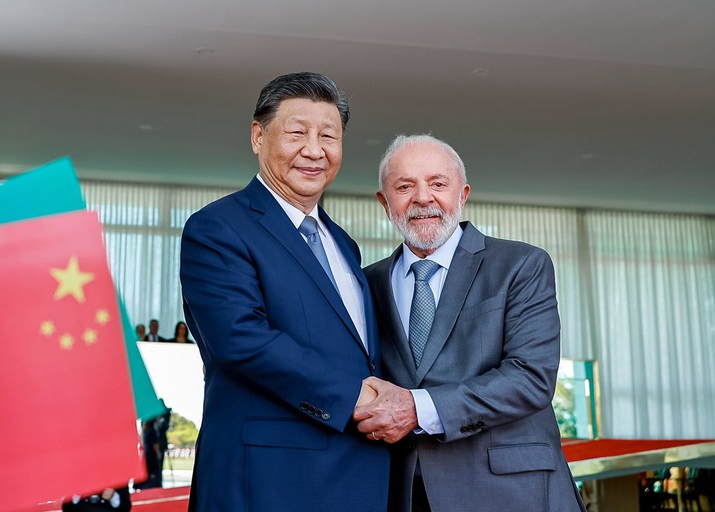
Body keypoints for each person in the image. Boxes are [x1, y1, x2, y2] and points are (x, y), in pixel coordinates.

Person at [180, 71, 389, 512]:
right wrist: (356, 398)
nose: (314, 150)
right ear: (258, 136)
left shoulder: (342, 243)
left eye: (328, 136)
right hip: (268, 481)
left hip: (354, 476)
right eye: (297, 133)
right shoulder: (217, 228)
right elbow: (241, 339)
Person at [355, 134, 586, 512]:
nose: (423, 198)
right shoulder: (366, 283)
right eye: (404, 187)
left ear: (462, 194)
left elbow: (530, 378)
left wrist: (417, 408)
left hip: (512, 493)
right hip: (406, 493)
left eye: (438, 184)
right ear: (385, 202)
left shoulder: (521, 265)